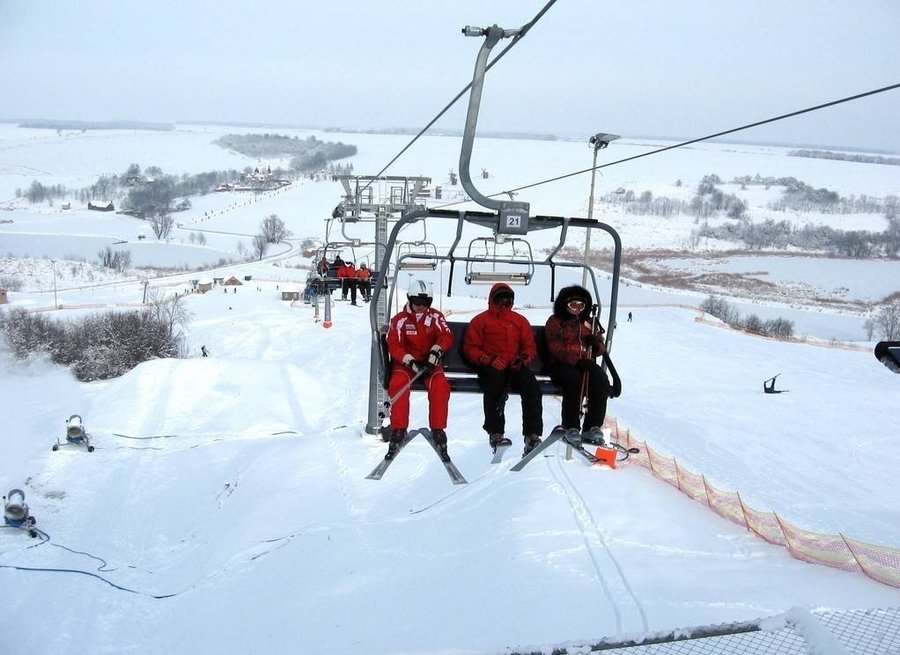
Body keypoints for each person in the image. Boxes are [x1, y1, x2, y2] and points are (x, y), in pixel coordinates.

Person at [462, 283, 543, 455]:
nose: (504, 304)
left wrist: (522, 359)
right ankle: (496, 432)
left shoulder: (519, 321)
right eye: (500, 300)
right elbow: (470, 347)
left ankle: (532, 434)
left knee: (532, 388)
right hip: (491, 366)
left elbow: (529, 346)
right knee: (494, 386)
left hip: (514, 365)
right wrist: (487, 359)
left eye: (508, 301)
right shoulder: (481, 321)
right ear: (493, 300)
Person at [386, 279, 454, 460]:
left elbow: (446, 335)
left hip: (430, 364)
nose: (421, 306)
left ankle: (438, 429)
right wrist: (409, 361)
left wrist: (436, 350)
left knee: (440, 386)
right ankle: (398, 429)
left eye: (426, 303)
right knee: (398, 384)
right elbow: (394, 344)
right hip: (406, 366)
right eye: (417, 302)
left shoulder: (435, 317)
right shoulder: (400, 320)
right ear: (409, 299)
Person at [544, 285, 611, 445]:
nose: (577, 310)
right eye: (573, 305)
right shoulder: (556, 322)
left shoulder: (589, 323)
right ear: (564, 305)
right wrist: (577, 360)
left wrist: (596, 345)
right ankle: (570, 426)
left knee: (601, 380)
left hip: (585, 363)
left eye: (581, 306)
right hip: (560, 364)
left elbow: (600, 346)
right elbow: (555, 347)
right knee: (573, 380)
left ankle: (592, 426)